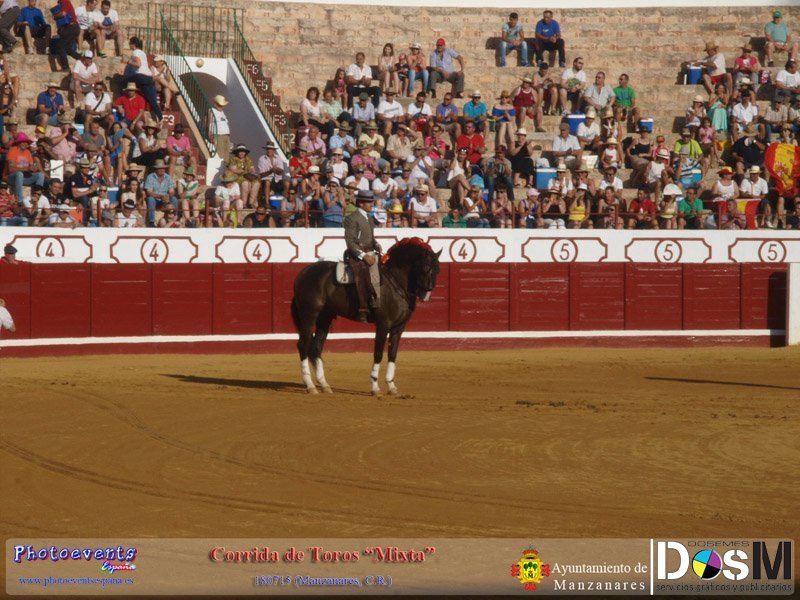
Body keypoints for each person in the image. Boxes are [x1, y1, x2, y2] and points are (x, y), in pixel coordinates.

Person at [344, 189, 381, 321]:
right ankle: (365, 307)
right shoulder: (352, 218)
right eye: (369, 202)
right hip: (357, 255)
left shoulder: (369, 218)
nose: (372, 204)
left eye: (372, 202)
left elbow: (370, 238)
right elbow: (350, 242)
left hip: (371, 251)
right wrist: (364, 256)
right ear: (361, 203)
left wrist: (376, 244)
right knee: (366, 274)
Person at [123, 36, 161, 120]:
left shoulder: (135, 52)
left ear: (133, 44)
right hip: (149, 77)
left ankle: (126, 101)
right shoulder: (142, 52)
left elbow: (138, 64)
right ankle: (160, 118)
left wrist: (127, 61)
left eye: (130, 43)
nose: (129, 45)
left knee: (124, 80)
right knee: (152, 101)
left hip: (141, 77)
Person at [210, 94, 230, 164]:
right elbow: (208, 123)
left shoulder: (222, 112)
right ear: (215, 104)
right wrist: (210, 134)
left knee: (226, 156)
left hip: (226, 136)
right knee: (220, 155)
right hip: (218, 136)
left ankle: (225, 168)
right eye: (220, 105)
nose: (222, 107)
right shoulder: (212, 111)